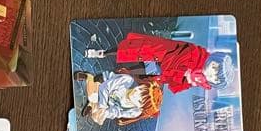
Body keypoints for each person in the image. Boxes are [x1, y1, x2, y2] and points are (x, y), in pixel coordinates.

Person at [84, 32, 234, 93]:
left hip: (158, 70)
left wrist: (185, 79)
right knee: (129, 50)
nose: (211, 73)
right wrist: (183, 73)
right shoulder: (195, 53)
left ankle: (104, 77)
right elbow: (173, 58)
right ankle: (103, 53)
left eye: (215, 78)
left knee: (131, 72)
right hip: (158, 54)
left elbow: (176, 85)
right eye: (214, 67)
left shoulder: (199, 80)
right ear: (213, 59)